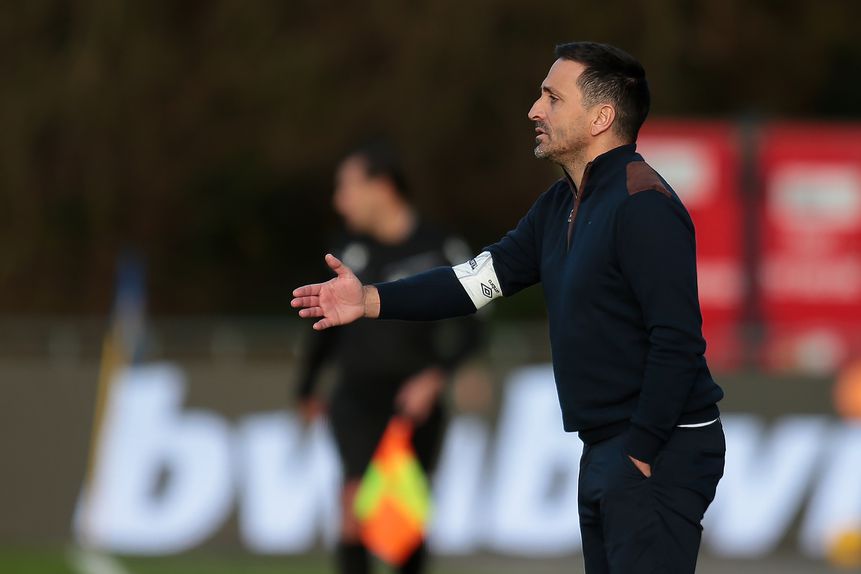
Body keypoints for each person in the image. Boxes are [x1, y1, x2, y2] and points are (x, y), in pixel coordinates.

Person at [292, 42, 726, 573]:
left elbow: (677, 341)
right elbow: (474, 283)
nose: (534, 110)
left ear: (601, 118)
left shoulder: (643, 204)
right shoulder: (560, 204)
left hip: (658, 447)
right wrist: (370, 299)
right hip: (607, 445)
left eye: (552, 98)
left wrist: (641, 448)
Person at [294, 139, 481, 574]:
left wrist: (436, 376)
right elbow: (323, 330)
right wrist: (306, 387)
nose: (340, 201)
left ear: (382, 187)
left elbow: (474, 326)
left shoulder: (441, 247)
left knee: (403, 519)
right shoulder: (347, 253)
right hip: (357, 398)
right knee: (355, 504)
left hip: (413, 404)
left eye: (347, 187)